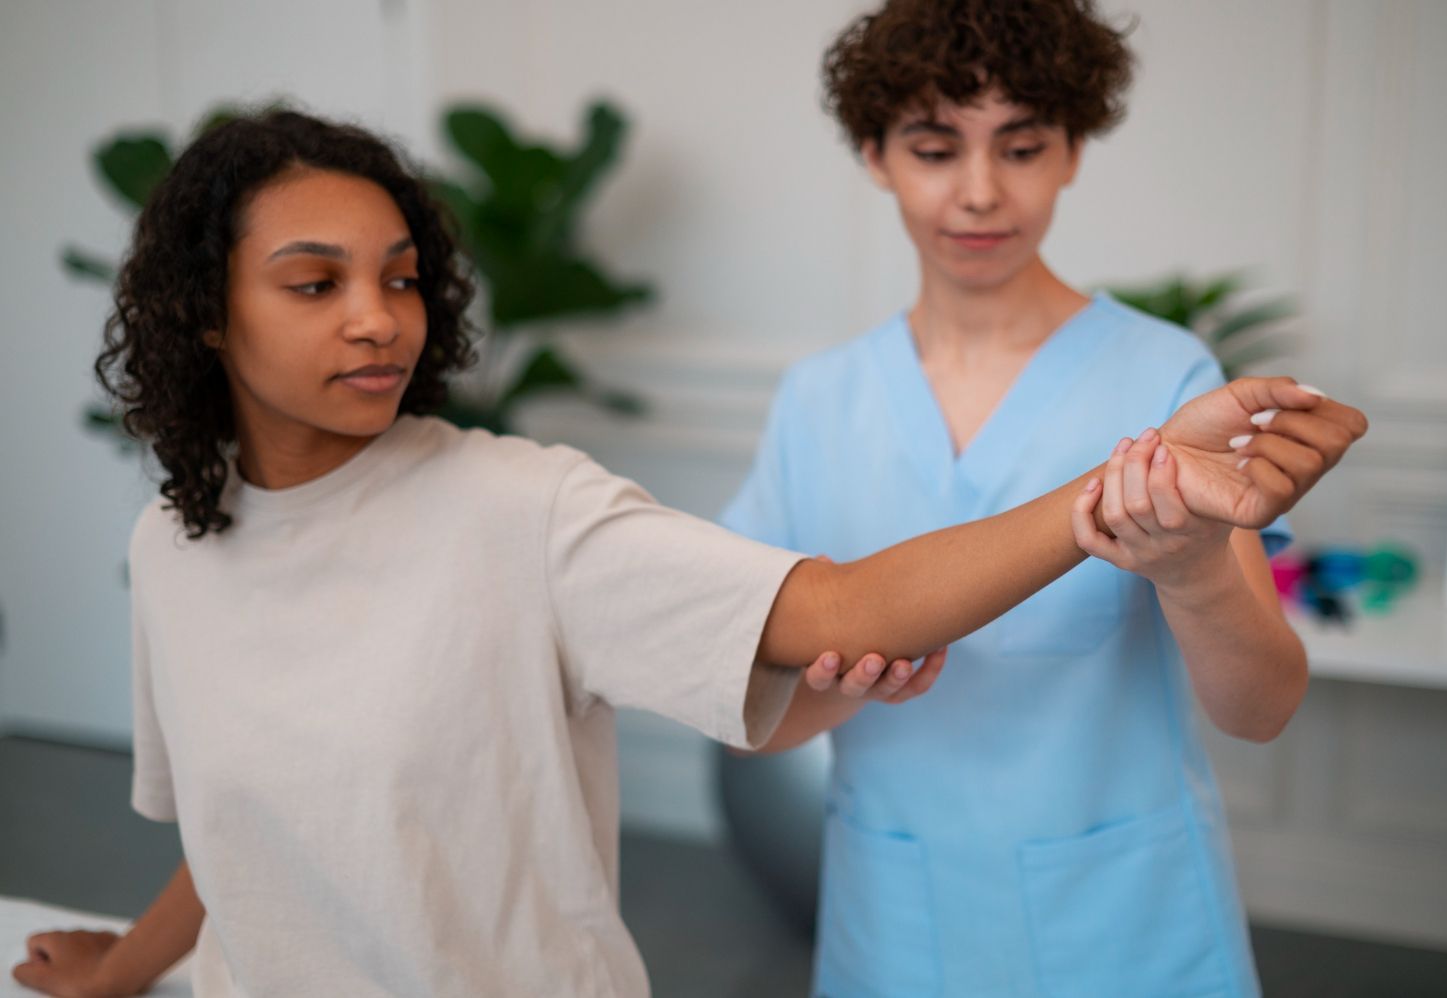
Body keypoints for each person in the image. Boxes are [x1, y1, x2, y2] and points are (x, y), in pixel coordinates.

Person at [10, 108, 1361, 998]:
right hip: (895, 917)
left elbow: (831, 601)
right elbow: (256, 820)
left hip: (1118, 906)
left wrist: (1133, 495)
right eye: (317, 284)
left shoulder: (518, 509)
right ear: (203, 314)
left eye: (404, 276)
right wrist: (129, 967)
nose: (378, 320)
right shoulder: (174, 545)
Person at [721, 1, 1336, 995]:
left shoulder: (1167, 375)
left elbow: (1262, 706)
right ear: (875, 155)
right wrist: (845, 676)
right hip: (897, 923)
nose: (978, 194)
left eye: (1020, 146)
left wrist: (1188, 572)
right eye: (933, 148)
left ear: (1073, 151)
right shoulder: (819, 400)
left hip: (1123, 925)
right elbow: (750, 711)